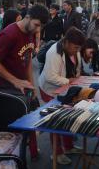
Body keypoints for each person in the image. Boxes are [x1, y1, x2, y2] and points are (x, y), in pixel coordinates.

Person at [0, 5, 49, 160]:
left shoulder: (29, 33)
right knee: (11, 132)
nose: (37, 30)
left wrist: (31, 84)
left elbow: (27, 61)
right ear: (27, 17)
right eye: (36, 25)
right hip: (4, 89)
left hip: (22, 87)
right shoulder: (9, 34)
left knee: (32, 119)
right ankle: (9, 159)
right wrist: (15, 81)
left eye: (40, 27)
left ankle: (31, 151)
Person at [38, 27, 85, 165]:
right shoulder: (54, 52)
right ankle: (56, 153)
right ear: (67, 42)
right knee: (56, 120)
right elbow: (50, 76)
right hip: (50, 89)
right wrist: (68, 81)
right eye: (75, 47)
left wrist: (76, 79)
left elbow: (77, 69)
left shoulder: (74, 51)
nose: (77, 50)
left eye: (79, 48)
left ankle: (69, 146)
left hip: (67, 89)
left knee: (68, 117)